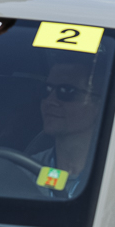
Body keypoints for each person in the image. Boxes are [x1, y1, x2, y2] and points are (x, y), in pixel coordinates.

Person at [30, 55, 105, 196]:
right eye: (46, 90)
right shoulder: (24, 171)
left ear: (100, 104)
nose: (50, 101)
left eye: (67, 91)